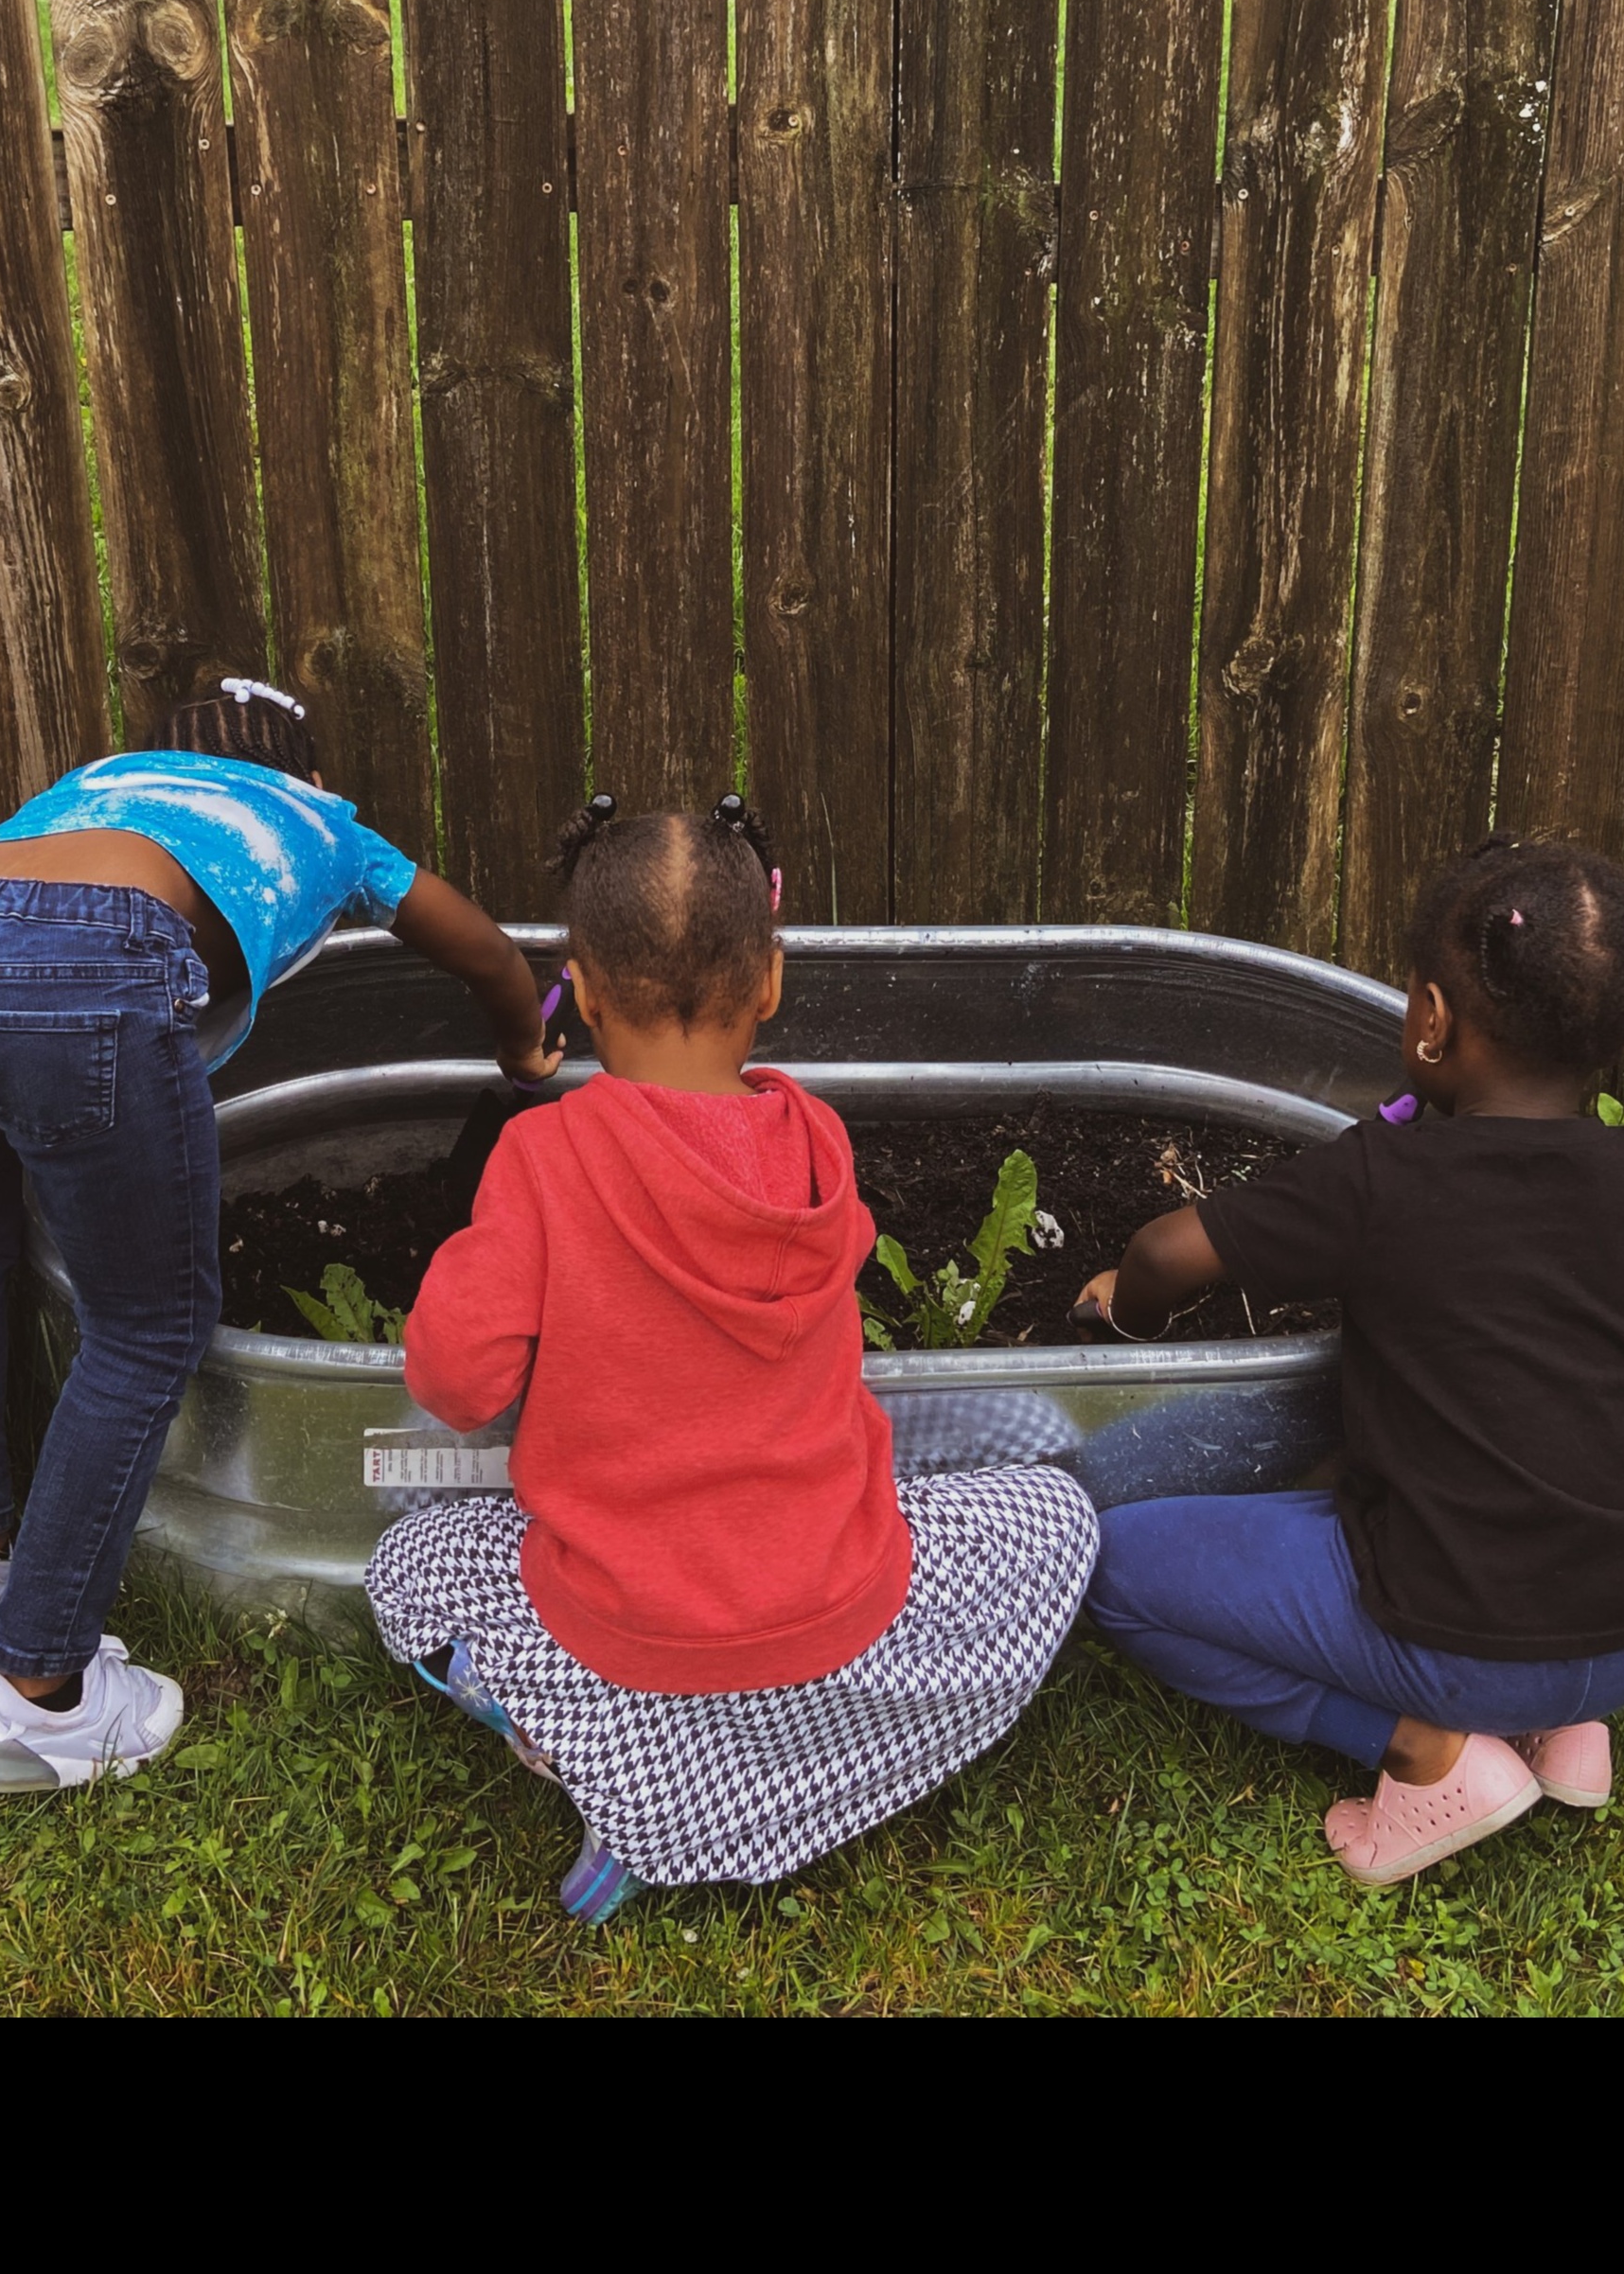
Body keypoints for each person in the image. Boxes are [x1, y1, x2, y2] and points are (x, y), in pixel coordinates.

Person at [365, 795, 1099, 1921]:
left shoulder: (542, 1158)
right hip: (832, 1595)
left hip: (620, 1623)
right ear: (770, 982)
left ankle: (624, 1782)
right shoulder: (817, 1141)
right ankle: (785, 1762)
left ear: (584, 989)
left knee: (411, 1567)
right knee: (1060, 1523)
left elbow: (454, 1385)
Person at [0, 678, 556, 1792]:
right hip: (89, 969)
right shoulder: (327, 823)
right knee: (143, 1328)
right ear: (310, 778)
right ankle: (39, 1696)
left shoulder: (100, 791)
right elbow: (481, 952)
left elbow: (15, 914)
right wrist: (525, 1052)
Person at [1078, 835, 1624, 1887]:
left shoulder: (1384, 1175)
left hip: (1453, 1634)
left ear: (1430, 1022)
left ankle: (1427, 1750)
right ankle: (1568, 1727)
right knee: (1613, 1414)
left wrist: (1123, 1301)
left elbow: (1164, 1252)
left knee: (1113, 1570)